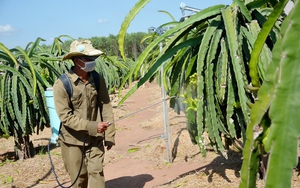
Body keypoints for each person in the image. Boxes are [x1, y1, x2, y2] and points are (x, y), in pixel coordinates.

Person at [53, 39, 116, 188]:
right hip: (72, 141)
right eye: (88, 59)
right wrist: (93, 126)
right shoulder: (62, 85)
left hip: (95, 138)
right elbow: (65, 117)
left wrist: (110, 135)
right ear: (77, 61)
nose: (92, 62)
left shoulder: (97, 79)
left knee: (97, 173)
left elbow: (105, 105)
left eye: (93, 59)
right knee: (78, 179)